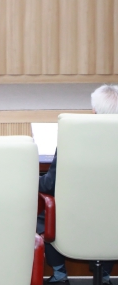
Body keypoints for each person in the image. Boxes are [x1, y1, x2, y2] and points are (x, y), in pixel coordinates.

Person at [38, 84, 118, 284]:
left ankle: (59, 274)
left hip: (73, 220)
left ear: (94, 112)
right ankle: (105, 276)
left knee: (42, 213)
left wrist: (29, 179)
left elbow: (49, 185)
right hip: (113, 221)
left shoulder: (72, 137)